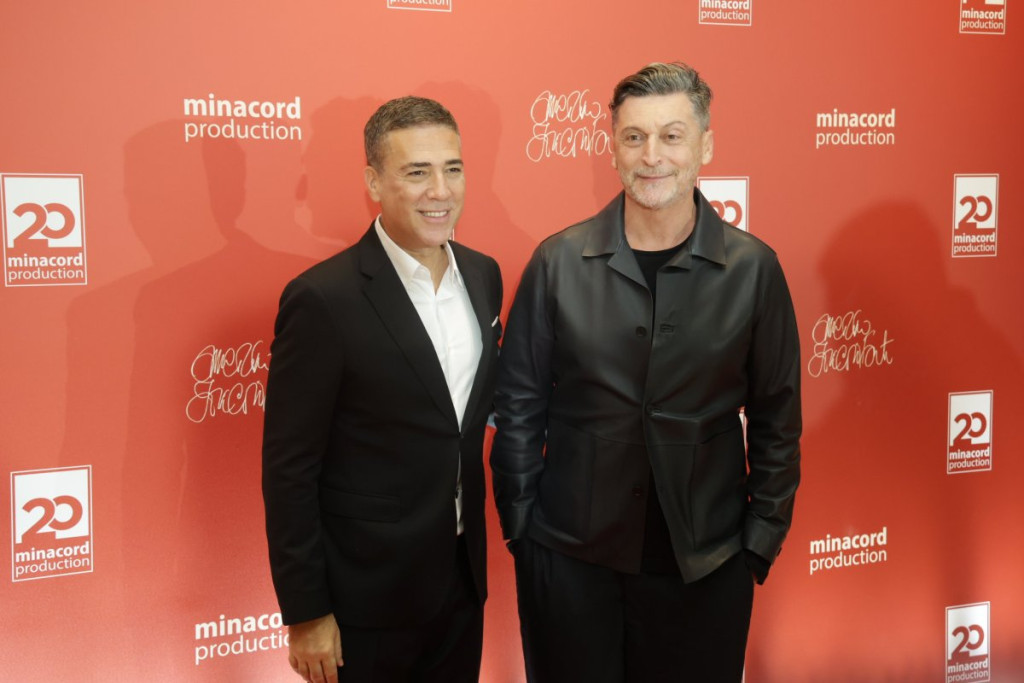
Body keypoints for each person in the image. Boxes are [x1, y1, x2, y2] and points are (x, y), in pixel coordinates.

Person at [491, 62, 801, 682]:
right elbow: (518, 408)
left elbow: (777, 418)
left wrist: (759, 540)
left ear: (705, 146)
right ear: (613, 148)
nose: (651, 155)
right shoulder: (557, 262)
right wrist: (523, 533)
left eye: (671, 136)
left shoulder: (753, 270)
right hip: (569, 563)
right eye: (634, 137)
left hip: (707, 566)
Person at [262, 96, 502, 683]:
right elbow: (290, 468)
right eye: (417, 172)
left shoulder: (483, 274)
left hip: (461, 582)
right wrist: (307, 612)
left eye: (452, 168)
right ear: (374, 181)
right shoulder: (323, 299)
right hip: (363, 602)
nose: (440, 191)